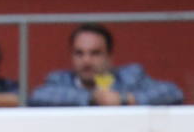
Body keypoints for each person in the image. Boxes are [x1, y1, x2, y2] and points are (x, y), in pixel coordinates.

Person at [30, 23, 183, 107]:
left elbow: (173, 93)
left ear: (109, 57)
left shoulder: (129, 77)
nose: (86, 61)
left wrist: (124, 100)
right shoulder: (60, 80)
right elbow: (37, 96)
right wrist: (92, 98)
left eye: (95, 53)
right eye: (79, 53)